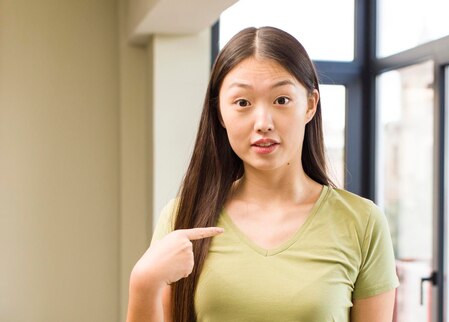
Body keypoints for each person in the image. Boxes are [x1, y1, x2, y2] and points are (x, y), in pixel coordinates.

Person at [127, 26, 399, 322]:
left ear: (310, 105)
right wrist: (143, 282)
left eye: (281, 100)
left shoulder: (362, 222)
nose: (263, 122)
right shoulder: (184, 218)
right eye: (243, 103)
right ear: (220, 112)